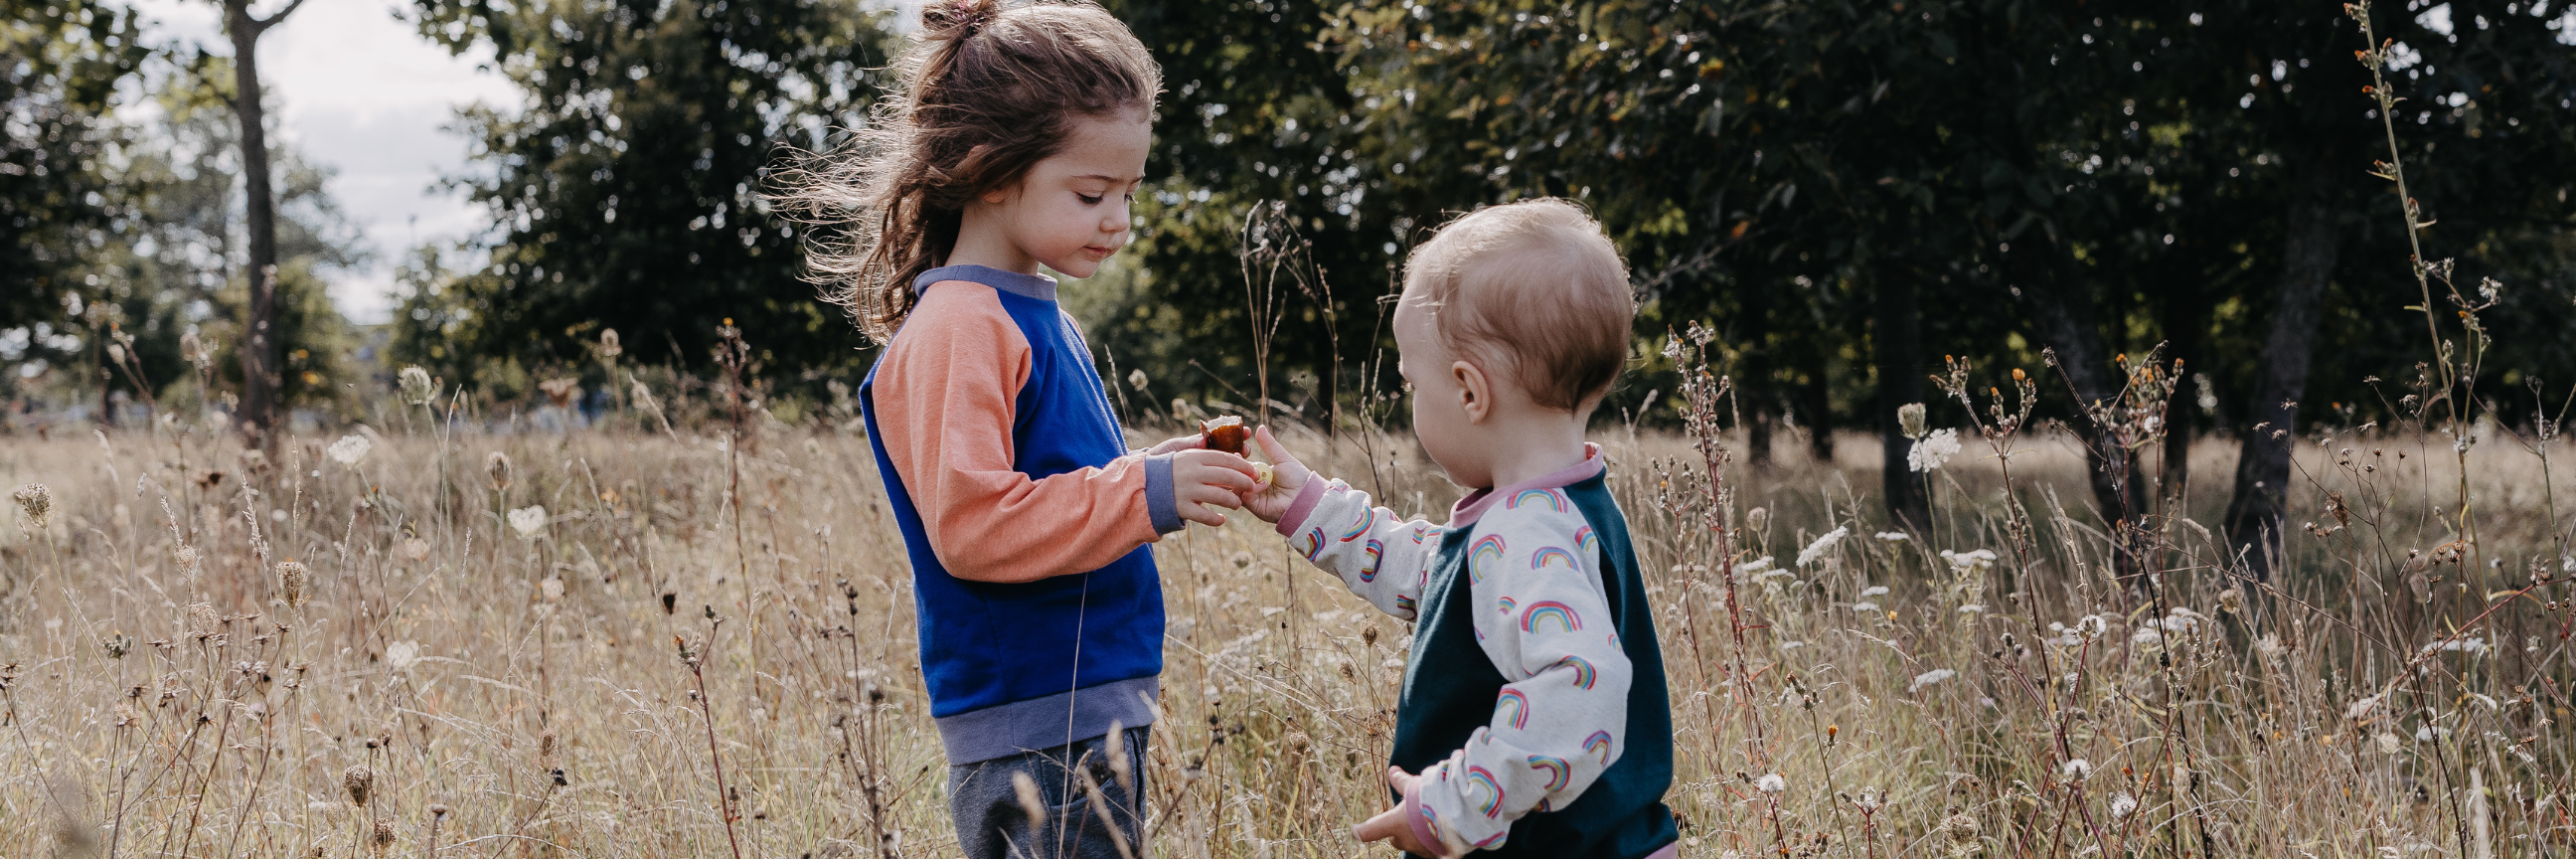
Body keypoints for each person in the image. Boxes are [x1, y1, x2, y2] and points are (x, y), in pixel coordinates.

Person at [789, 2, 1256, 856]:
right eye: (1091, 193)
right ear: (988, 171)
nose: (1119, 220)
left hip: (1086, 708)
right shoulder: (962, 326)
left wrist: (1157, 469)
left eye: (1128, 193)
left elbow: (1056, 477)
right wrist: (1143, 493)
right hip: (1034, 728)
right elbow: (972, 526)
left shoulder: (1033, 314)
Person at [1240, 199, 1680, 858]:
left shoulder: (1528, 533)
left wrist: (1456, 803)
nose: (1410, 398)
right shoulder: (1556, 507)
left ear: (1470, 393)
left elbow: (1579, 688)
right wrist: (1312, 507)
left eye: (1413, 383)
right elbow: (1437, 576)